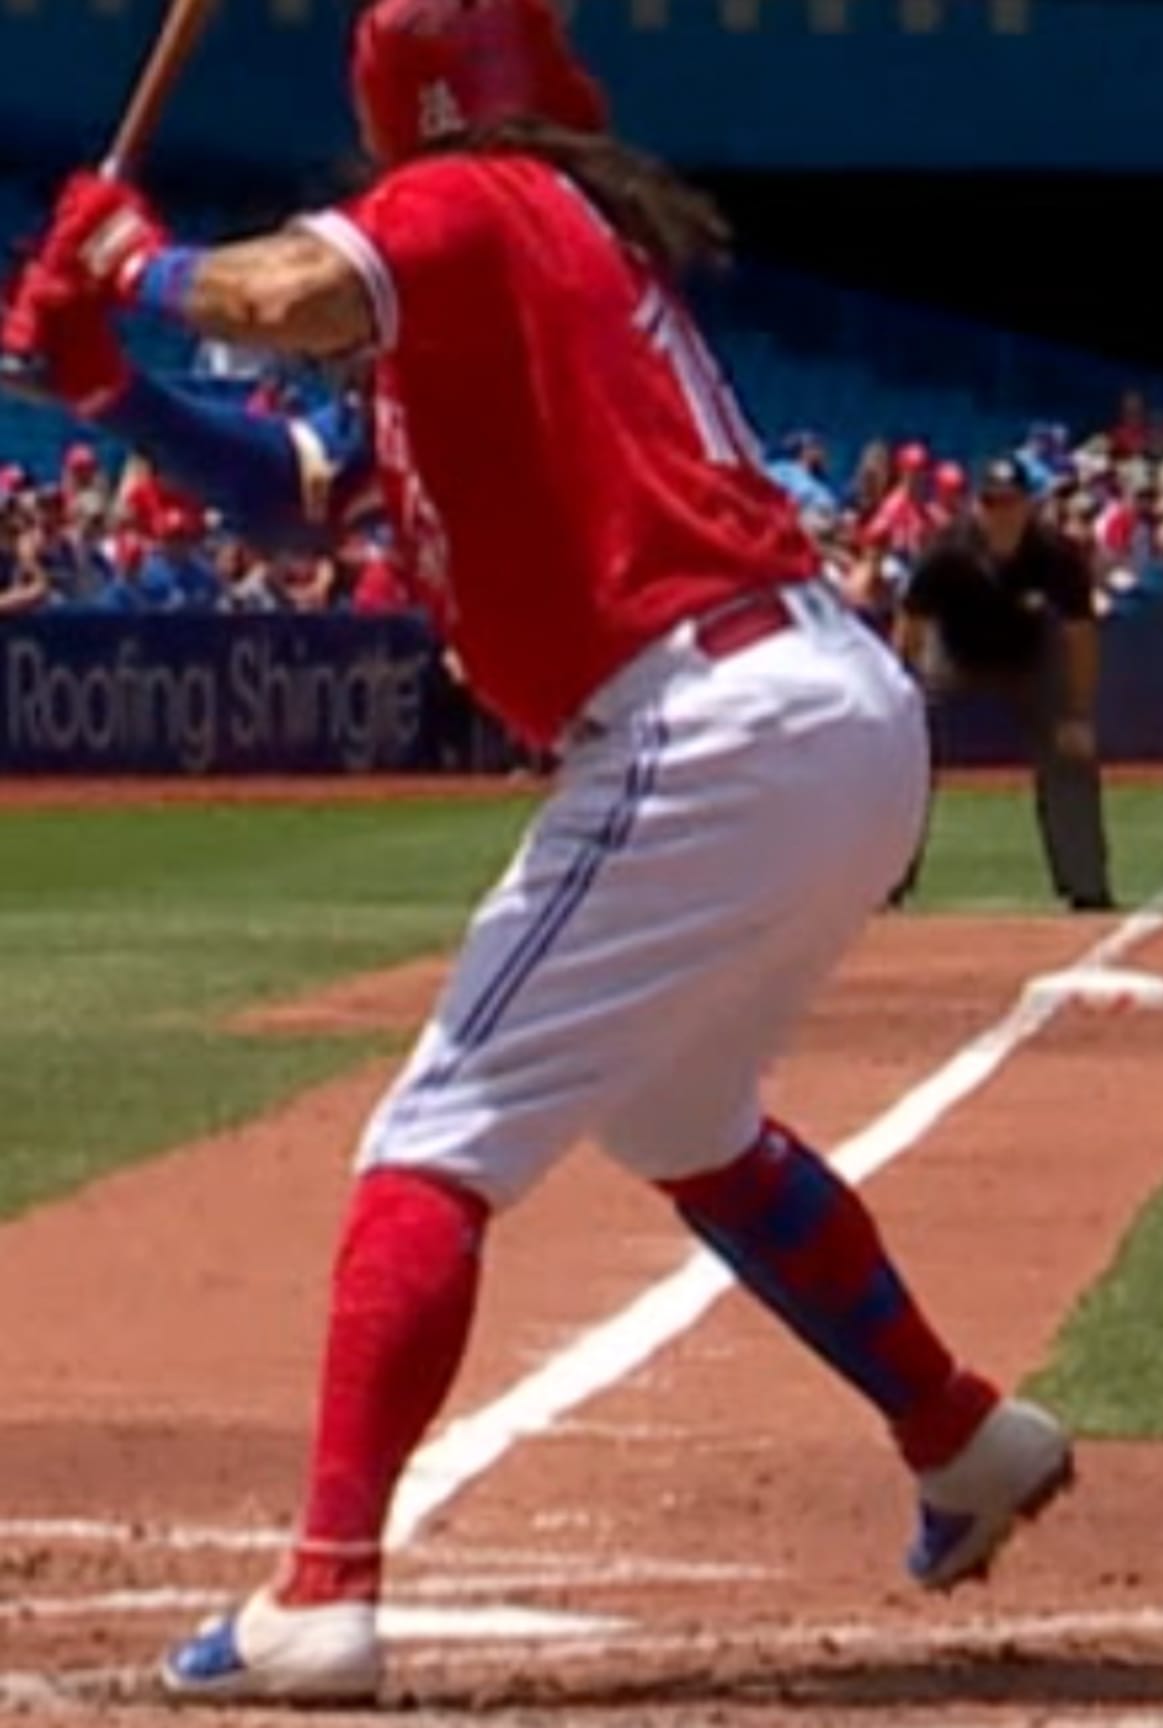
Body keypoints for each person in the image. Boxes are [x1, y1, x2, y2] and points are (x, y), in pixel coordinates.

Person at [0, 0, 1072, 1702]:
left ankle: (320, 1594)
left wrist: (128, 261)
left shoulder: (468, 203)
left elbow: (274, 298)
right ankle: (960, 1432)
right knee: (676, 1115)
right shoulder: (514, 274)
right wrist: (109, 387)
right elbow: (301, 496)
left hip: (703, 718)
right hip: (813, 716)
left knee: (434, 1132)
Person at [892, 456, 1113, 911]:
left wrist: (1077, 713)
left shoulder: (1054, 555)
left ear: (1028, 507)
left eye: (1010, 504)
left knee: (1070, 756)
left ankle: (1085, 883)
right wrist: (899, 706)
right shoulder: (948, 552)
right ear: (977, 507)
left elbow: (1080, 637)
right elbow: (910, 628)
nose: (1001, 516)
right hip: (955, 653)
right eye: (991, 504)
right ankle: (890, 879)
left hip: (1031, 656)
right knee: (905, 756)